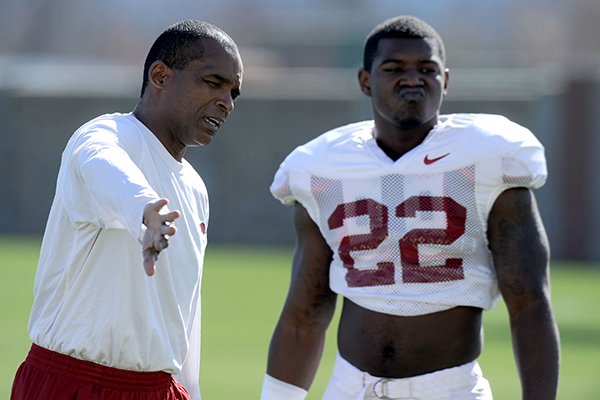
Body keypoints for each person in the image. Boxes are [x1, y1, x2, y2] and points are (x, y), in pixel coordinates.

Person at [261, 15, 559, 400]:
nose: (413, 78)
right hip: (352, 388)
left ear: (446, 81)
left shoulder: (487, 160)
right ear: (365, 81)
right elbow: (306, 312)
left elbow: (530, 304)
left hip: (450, 390)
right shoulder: (324, 170)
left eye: (427, 69)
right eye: (394, 68)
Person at [11, 20, 242, 400]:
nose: (227, 103)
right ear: (160, 75)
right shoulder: (103, 137)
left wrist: (192, 390)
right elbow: (105, 167)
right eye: (213, 82)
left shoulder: (195, 189)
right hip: (71, 385)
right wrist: (144, 211)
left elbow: (180, 317)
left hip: (160, 390)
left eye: (234, 92)